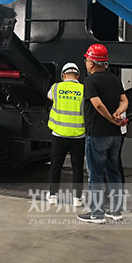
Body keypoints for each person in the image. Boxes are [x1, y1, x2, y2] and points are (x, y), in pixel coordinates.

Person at [77, 44, 128, 224]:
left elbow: (97, 105)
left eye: (87, 60)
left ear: (92, 63)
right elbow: (124, 100)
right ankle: (116, 211)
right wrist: (118, 114)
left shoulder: (90, 81)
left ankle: (97, 214)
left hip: (97, 134)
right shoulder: (114, 79)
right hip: (115, 135)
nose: (86, 63)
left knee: (96, 175)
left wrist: (111, 118)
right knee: (114, 173)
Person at [46, 62, 86, 210]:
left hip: (59, 134)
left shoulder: (56, 88)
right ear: (78, 76)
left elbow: (49, 97)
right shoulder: (84, 89)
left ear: (63, 75)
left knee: (56, 166)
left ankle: (52, 196)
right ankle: (77, 199)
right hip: (78, 135)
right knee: (77, 168)